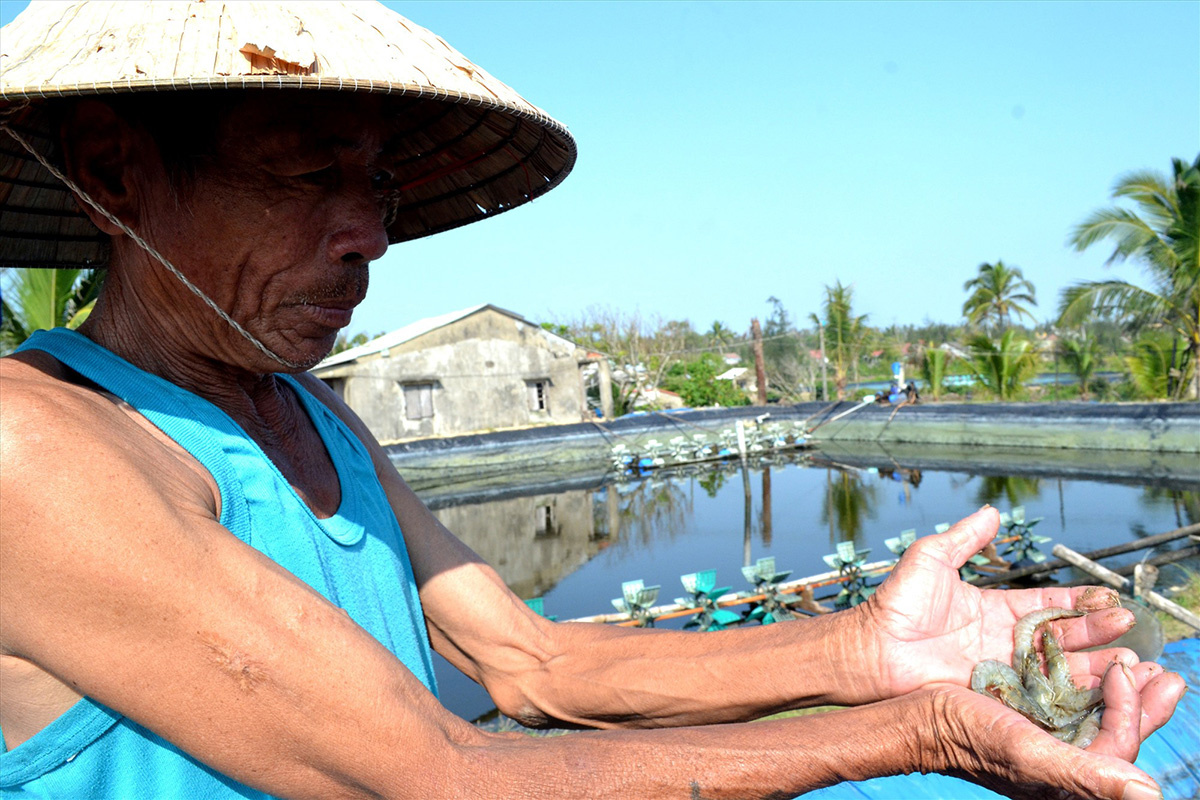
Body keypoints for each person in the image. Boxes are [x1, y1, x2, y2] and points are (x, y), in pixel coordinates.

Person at [0, 3, 1184, 798]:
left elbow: (535, 663)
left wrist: (865, 647)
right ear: (113, 172)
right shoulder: (35, 444)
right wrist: (925, 729)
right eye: (310, 171)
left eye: (375, 182)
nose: (367, 237)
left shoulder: (311, 410)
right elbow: (441, 770)